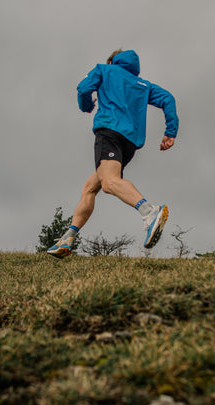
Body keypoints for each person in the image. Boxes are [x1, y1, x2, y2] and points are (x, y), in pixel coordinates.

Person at [47, 49, 179, 258]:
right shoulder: (143, 85)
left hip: (109, 133)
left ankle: (150, 212)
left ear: (111, 61)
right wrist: (170, 132)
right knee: (90, 188)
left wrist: (87, 105)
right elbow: (168, 99)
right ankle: (67, 238)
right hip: (130, 143)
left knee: (109, 183)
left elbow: (83, 89)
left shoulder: (104, 70)